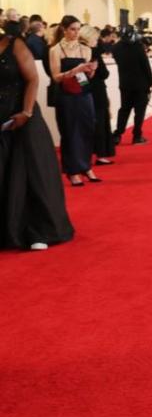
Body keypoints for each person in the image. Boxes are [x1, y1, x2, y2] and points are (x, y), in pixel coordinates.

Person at [0, 13, 74, 250]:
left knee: (30, 174)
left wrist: (27, 112)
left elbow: (33, 79)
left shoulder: (15, 44)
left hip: (23, 116)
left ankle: (36, 231)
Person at [48, 16, 99, 187]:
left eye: (78, 29)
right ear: (64, 29)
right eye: (72, 29)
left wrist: (90, 72)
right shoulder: (55, 50)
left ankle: (86, 166)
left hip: (84, 93)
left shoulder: (85, 49)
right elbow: (55, 77)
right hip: (65, 96)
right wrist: (73, 70)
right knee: (70, 132)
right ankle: (73, 171)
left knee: (87, 129)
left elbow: (84, 79)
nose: (76, 33)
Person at [112, 35, 152, 145]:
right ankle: (137, 136)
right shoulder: (138, 47)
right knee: (139, 112)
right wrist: (151, 81)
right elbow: (145, 66)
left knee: (124, 110)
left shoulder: (116, 48)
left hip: (125, 84)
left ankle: (117, 135)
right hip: (140, 85)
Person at [88, 27, 117, 164]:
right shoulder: (93, 53)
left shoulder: (81, 51)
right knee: (100, 122)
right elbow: (104, 73)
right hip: (97, 91)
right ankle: (100, 154)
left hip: (87, 92)